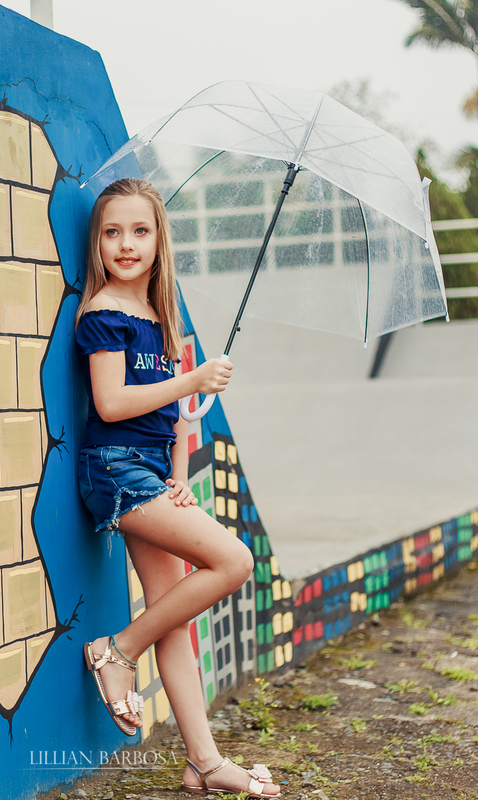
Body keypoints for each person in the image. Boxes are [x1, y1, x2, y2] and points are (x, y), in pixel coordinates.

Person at [75, 178, 280, 798]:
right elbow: (111, 404)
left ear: (160, 239)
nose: (126, 244)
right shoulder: (104, 313)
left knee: (176, 621)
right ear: (98, 242)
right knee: (234, 560)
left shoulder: (159, 319)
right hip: (112, 469)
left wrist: (176, 480)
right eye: (113, 232)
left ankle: (204, 763)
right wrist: (190, 377)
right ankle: (116, 650)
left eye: (140, 231)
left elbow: (167, 423)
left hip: (146, 475)